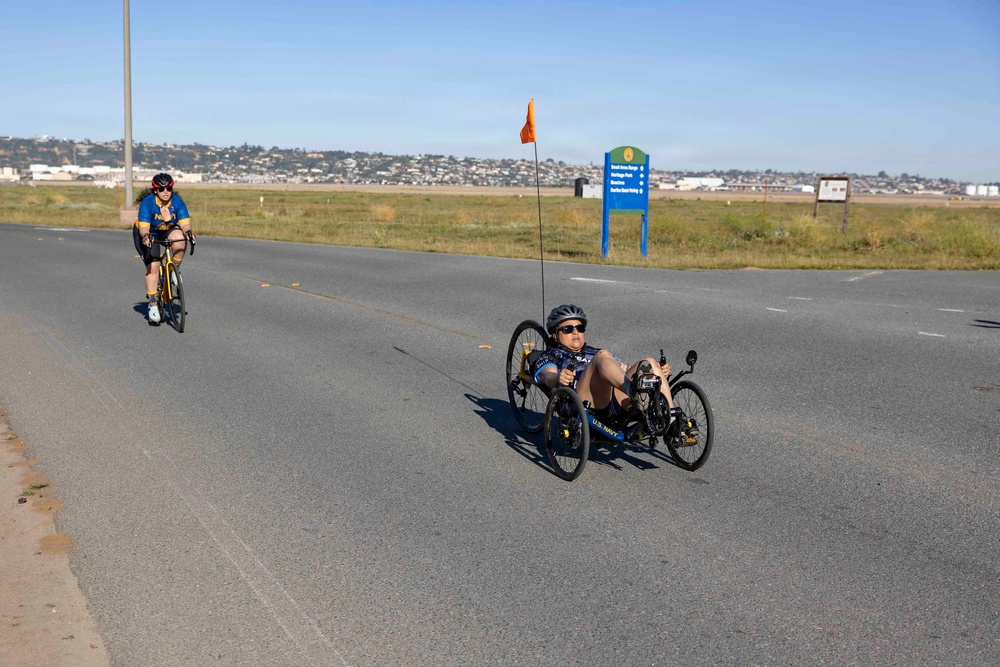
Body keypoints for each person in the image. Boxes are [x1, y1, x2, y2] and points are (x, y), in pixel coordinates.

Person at [531, 304, 675, 427]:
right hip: (581, 405)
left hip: (613, 401)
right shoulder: (551, 354)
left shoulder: (593, 351)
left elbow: (622, 369)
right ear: (555, 335)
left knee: (648, 362)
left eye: (579, 328)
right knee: (603, 355)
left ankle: (672, 420)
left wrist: (656, 372)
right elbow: (546, 376)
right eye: (568, 329)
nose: (576, 332)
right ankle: (634, 391)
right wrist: (557, 377)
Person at [132, 173, 196, 323]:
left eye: (169, 188)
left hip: (167, 229)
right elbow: (144, 228)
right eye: (161, 189)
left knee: (180, 240)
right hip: (149, 232)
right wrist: (146, 237)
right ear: (155, 191)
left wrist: (188, 232)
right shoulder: (148, 203)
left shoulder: (177, 202)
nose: (165, 191)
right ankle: (153, 302)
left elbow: (185, 223)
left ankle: (175, 268)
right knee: (153, 266)